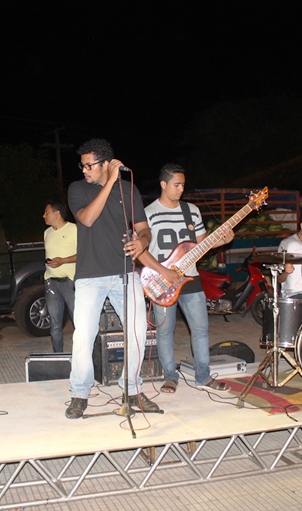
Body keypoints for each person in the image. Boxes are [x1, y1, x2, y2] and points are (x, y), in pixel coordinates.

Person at [65, 138, 178, 419]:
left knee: (138, 333)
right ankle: (80, 393)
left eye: (89, 165)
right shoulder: (78, 189)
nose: (84, 170)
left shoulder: (128, 189)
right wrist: (109, 183)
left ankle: (132, 390)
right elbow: (87, 219)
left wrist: (143, 241)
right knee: (84, 336)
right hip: (90, 275)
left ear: (106, 163)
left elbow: (144, 228)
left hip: (125, 272)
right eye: (82, 165)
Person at [144, 163, 234, 394]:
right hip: (162, 281)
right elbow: (141, 251)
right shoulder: (149, 213)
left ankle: (203, 376)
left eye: (183, 184)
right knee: (165, 331)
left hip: (191, 279)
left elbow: (202, 244)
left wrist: (222, 241)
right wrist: (164, 272)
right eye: (176, 184)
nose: (181, 189)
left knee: (201, 329)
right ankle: (169, 376)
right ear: (163, 184)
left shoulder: (191, 211)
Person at [43, 200, 77, 353]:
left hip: (70, 283)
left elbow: (84, 254)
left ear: (57, 213)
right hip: (51, 283)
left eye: (46, 212)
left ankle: (83, 356)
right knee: (55, 325)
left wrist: (64, 261)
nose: (43, 216)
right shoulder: (47, 233)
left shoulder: (74, 229)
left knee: (78, 323)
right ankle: (58, 356)